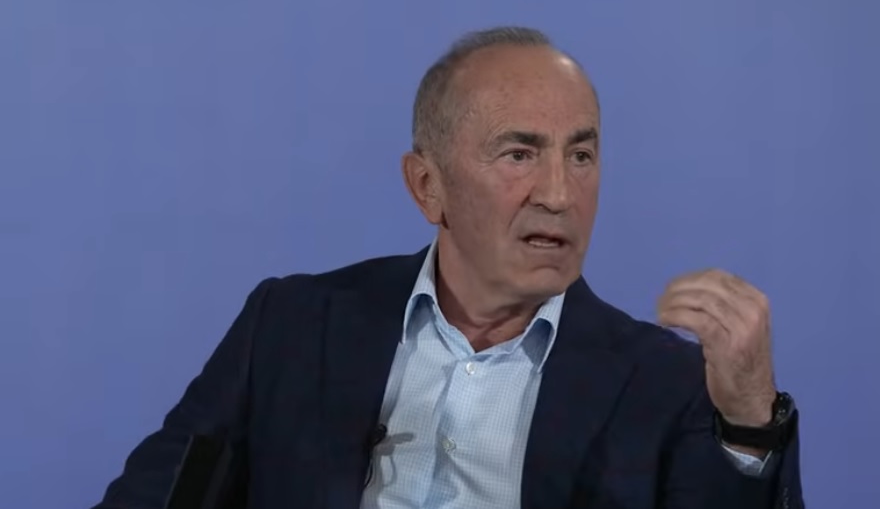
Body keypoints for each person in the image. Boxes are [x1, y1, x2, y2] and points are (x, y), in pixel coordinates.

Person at [94, 26, 803, 509]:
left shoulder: (666, 383)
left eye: (581, 155)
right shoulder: (291, 326)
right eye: (519, 154)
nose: (559, 194)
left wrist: (748, 425)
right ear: (427, 186)